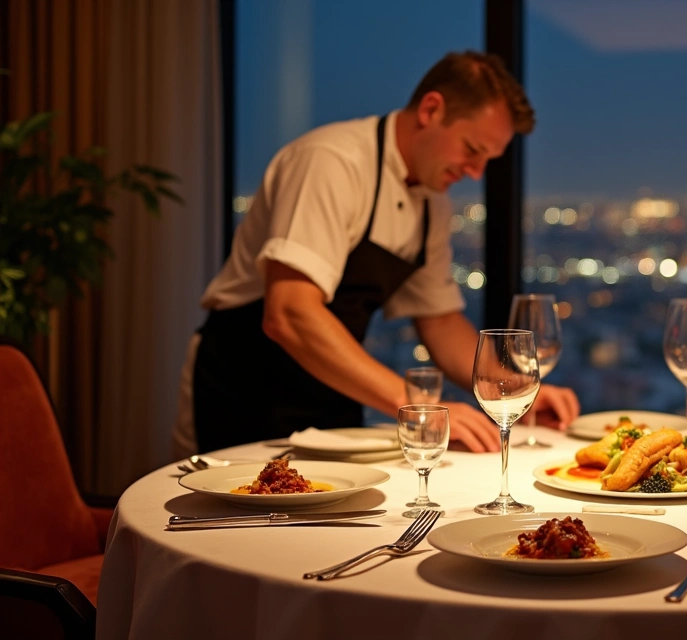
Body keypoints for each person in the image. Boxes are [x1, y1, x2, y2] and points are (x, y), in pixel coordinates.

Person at [172, 51, 579, 457]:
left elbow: (438, 322)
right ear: (431, 110)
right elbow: (289, 314)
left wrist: (513, 391)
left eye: (488, 160)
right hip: (241, 385)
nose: (475, 172)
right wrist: (419, 408)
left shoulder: (431, 201)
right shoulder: (332, 162)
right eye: (472, 149)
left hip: (332, 389)